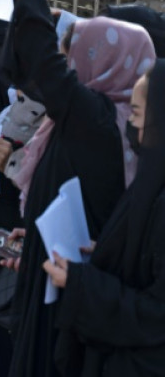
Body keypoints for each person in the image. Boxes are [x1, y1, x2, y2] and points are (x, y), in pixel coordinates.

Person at [1, 0, 157, 377]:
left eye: (76, 54)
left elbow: (36, 52)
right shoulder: (105, 124)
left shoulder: (95, 119)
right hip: (62, 273)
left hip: (68, 301)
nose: (67, 66)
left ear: (102, 61)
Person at [44, 59, 165, 376]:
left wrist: (80, 284)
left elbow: (157, 316)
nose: (131, 128)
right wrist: (107, 253)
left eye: (137, 114)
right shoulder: (152, 181)